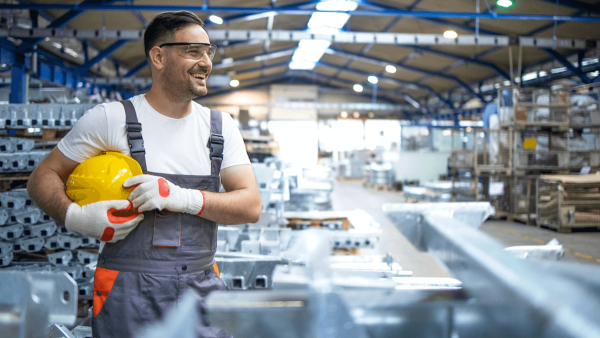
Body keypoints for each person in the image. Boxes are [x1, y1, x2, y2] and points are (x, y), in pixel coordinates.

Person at [27, 10, 262, 338]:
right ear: (158, 56)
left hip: (200, 286)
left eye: (209, 52)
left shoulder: (220, 128)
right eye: (193, 51)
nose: (206, 62)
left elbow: (250, 205)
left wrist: (181, 197)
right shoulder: (111, 119)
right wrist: (75, 217)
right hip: (126, 291)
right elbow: (42, 177)